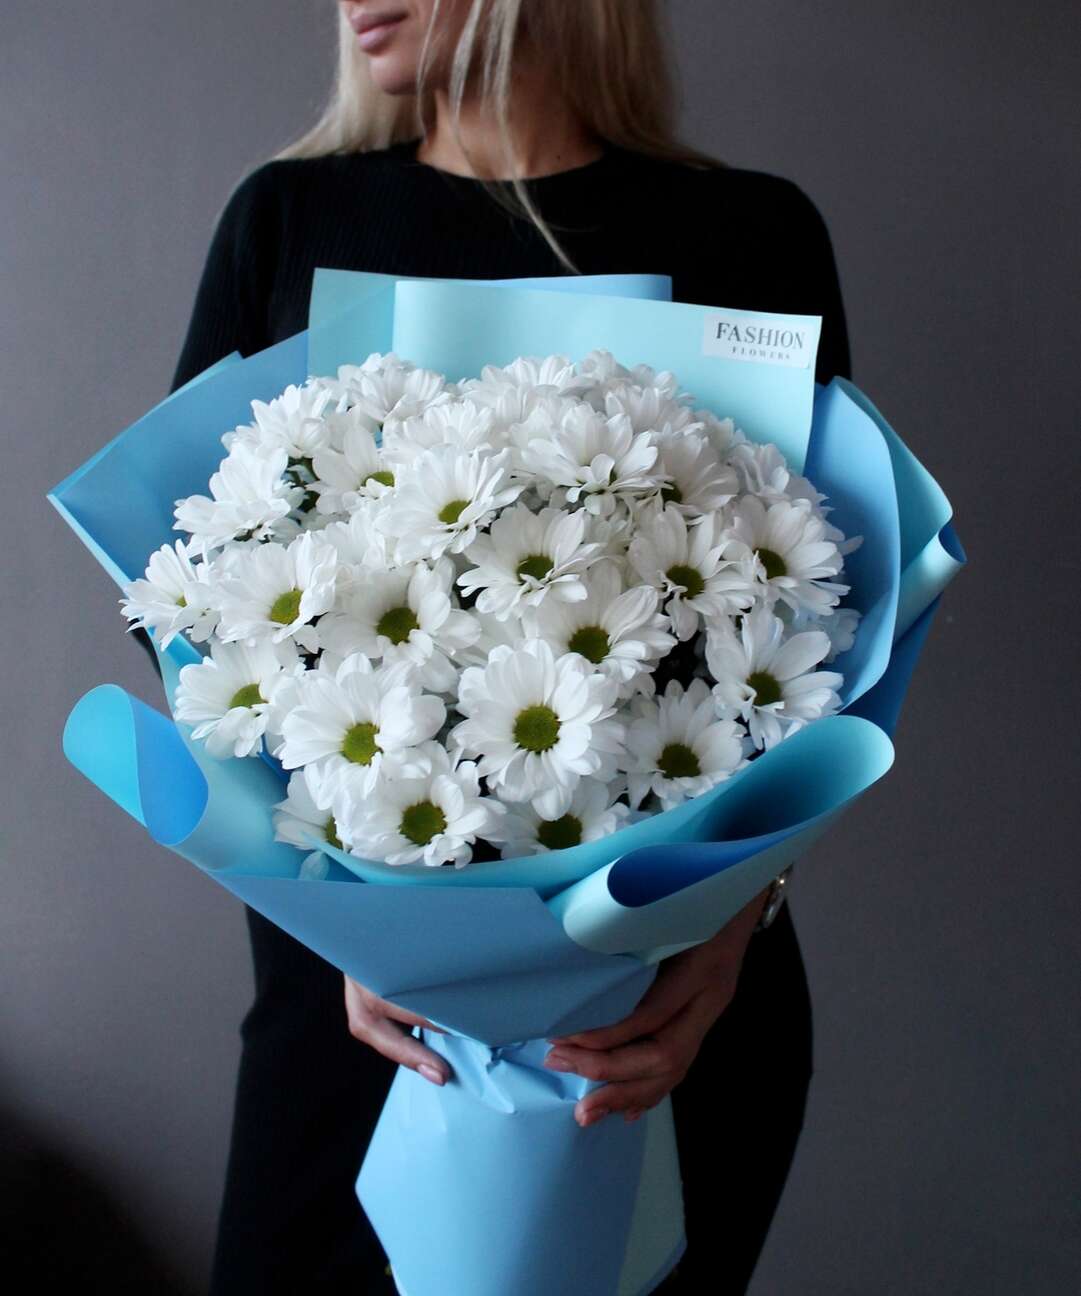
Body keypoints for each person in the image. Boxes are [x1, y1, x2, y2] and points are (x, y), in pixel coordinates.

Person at [163, 2, 851, 1291]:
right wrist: (338, 911)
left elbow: (821, 625)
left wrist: (735, 927)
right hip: (366, 1029)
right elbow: (202, 623)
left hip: (668, 1027)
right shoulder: (290, 221)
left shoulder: (754, 235)